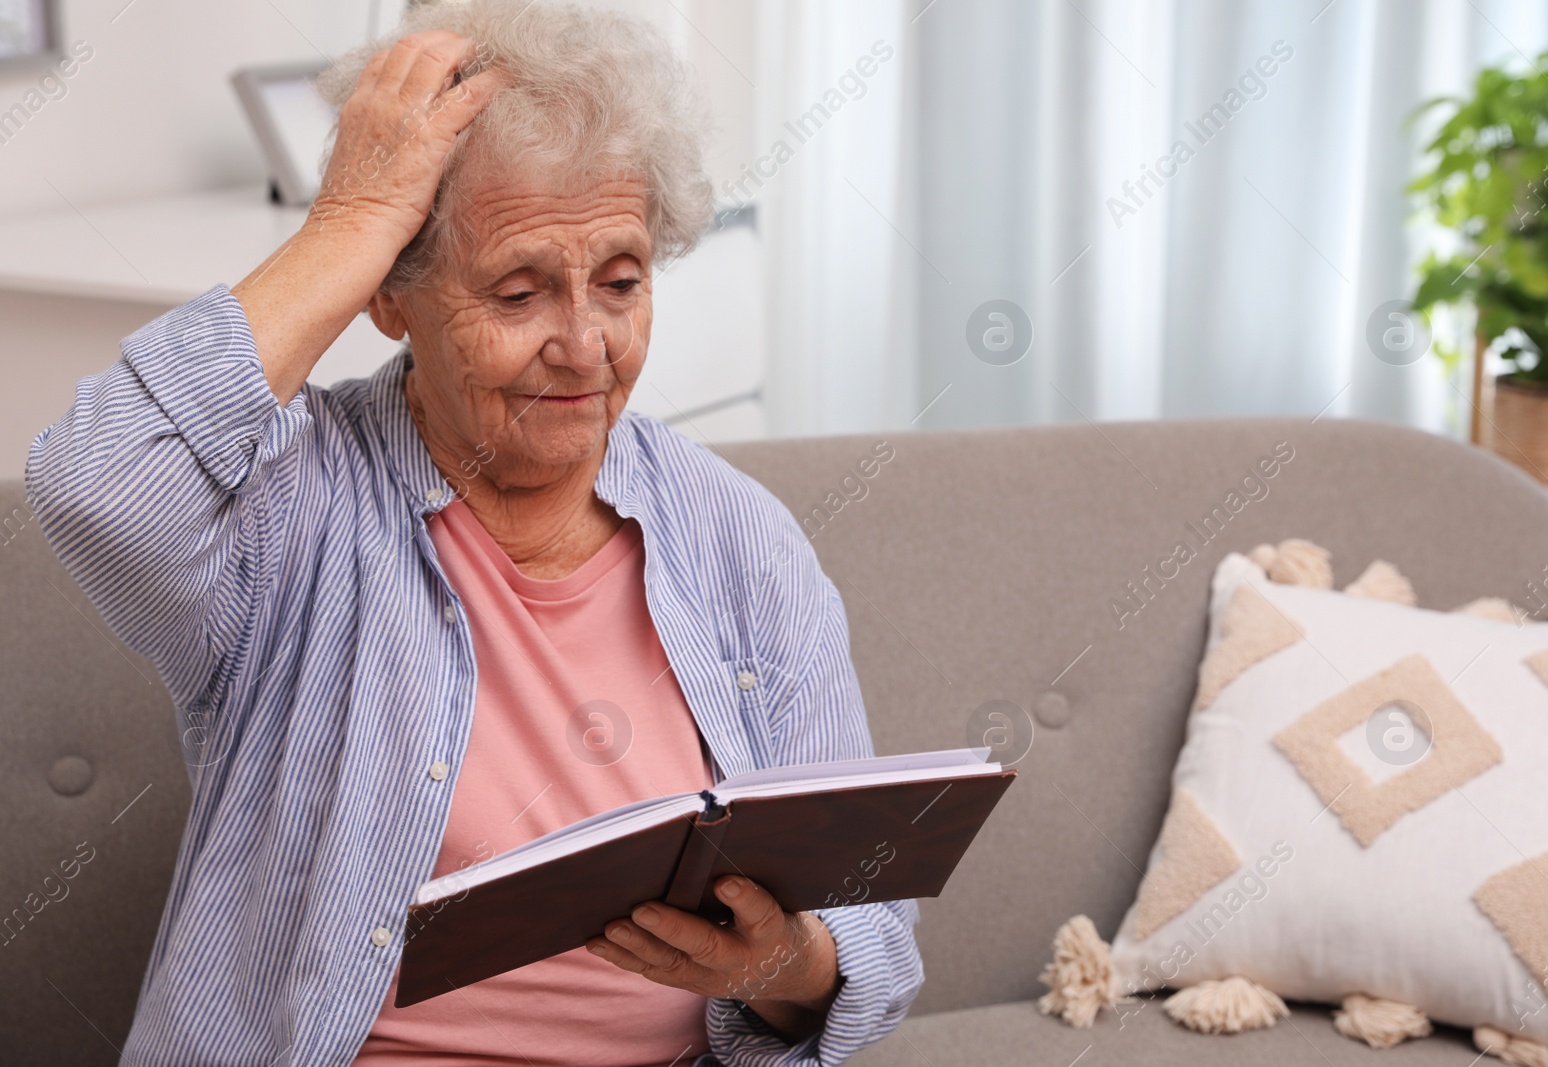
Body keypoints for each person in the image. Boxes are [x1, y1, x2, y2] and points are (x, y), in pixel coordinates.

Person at [24, 2, 920, 1064]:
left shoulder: (742, 542)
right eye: (518, 290)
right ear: (391, 297)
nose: (585, 344)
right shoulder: (288, 511)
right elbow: (96, 482)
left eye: (622, 282)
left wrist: (781, 962)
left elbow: (872, 927)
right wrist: (352, 218)